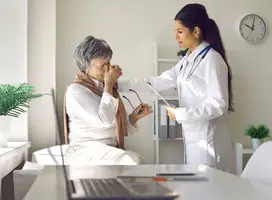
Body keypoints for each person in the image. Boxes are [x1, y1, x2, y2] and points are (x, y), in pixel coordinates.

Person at [118, 3, 235, 173]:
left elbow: (219, 104)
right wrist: (119, 85)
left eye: (180, 32)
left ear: (196, 31)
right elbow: (157, 82)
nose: (176, 37)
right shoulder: (187, 61)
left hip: (210, 142)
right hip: (194, 139)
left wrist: (180, 114)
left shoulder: (212, 60)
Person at [63, 36, 152, 165]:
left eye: (108, 63)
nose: (107, 69)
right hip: (84, 149)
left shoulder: (105, 89)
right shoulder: (76, 90)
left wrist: (134, 117)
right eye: (102, 66)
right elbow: (104, 121)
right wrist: (109, 84)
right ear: (86, 66)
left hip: (106, 149)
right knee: (135, 161)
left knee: (136, 162)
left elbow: (118, 129)